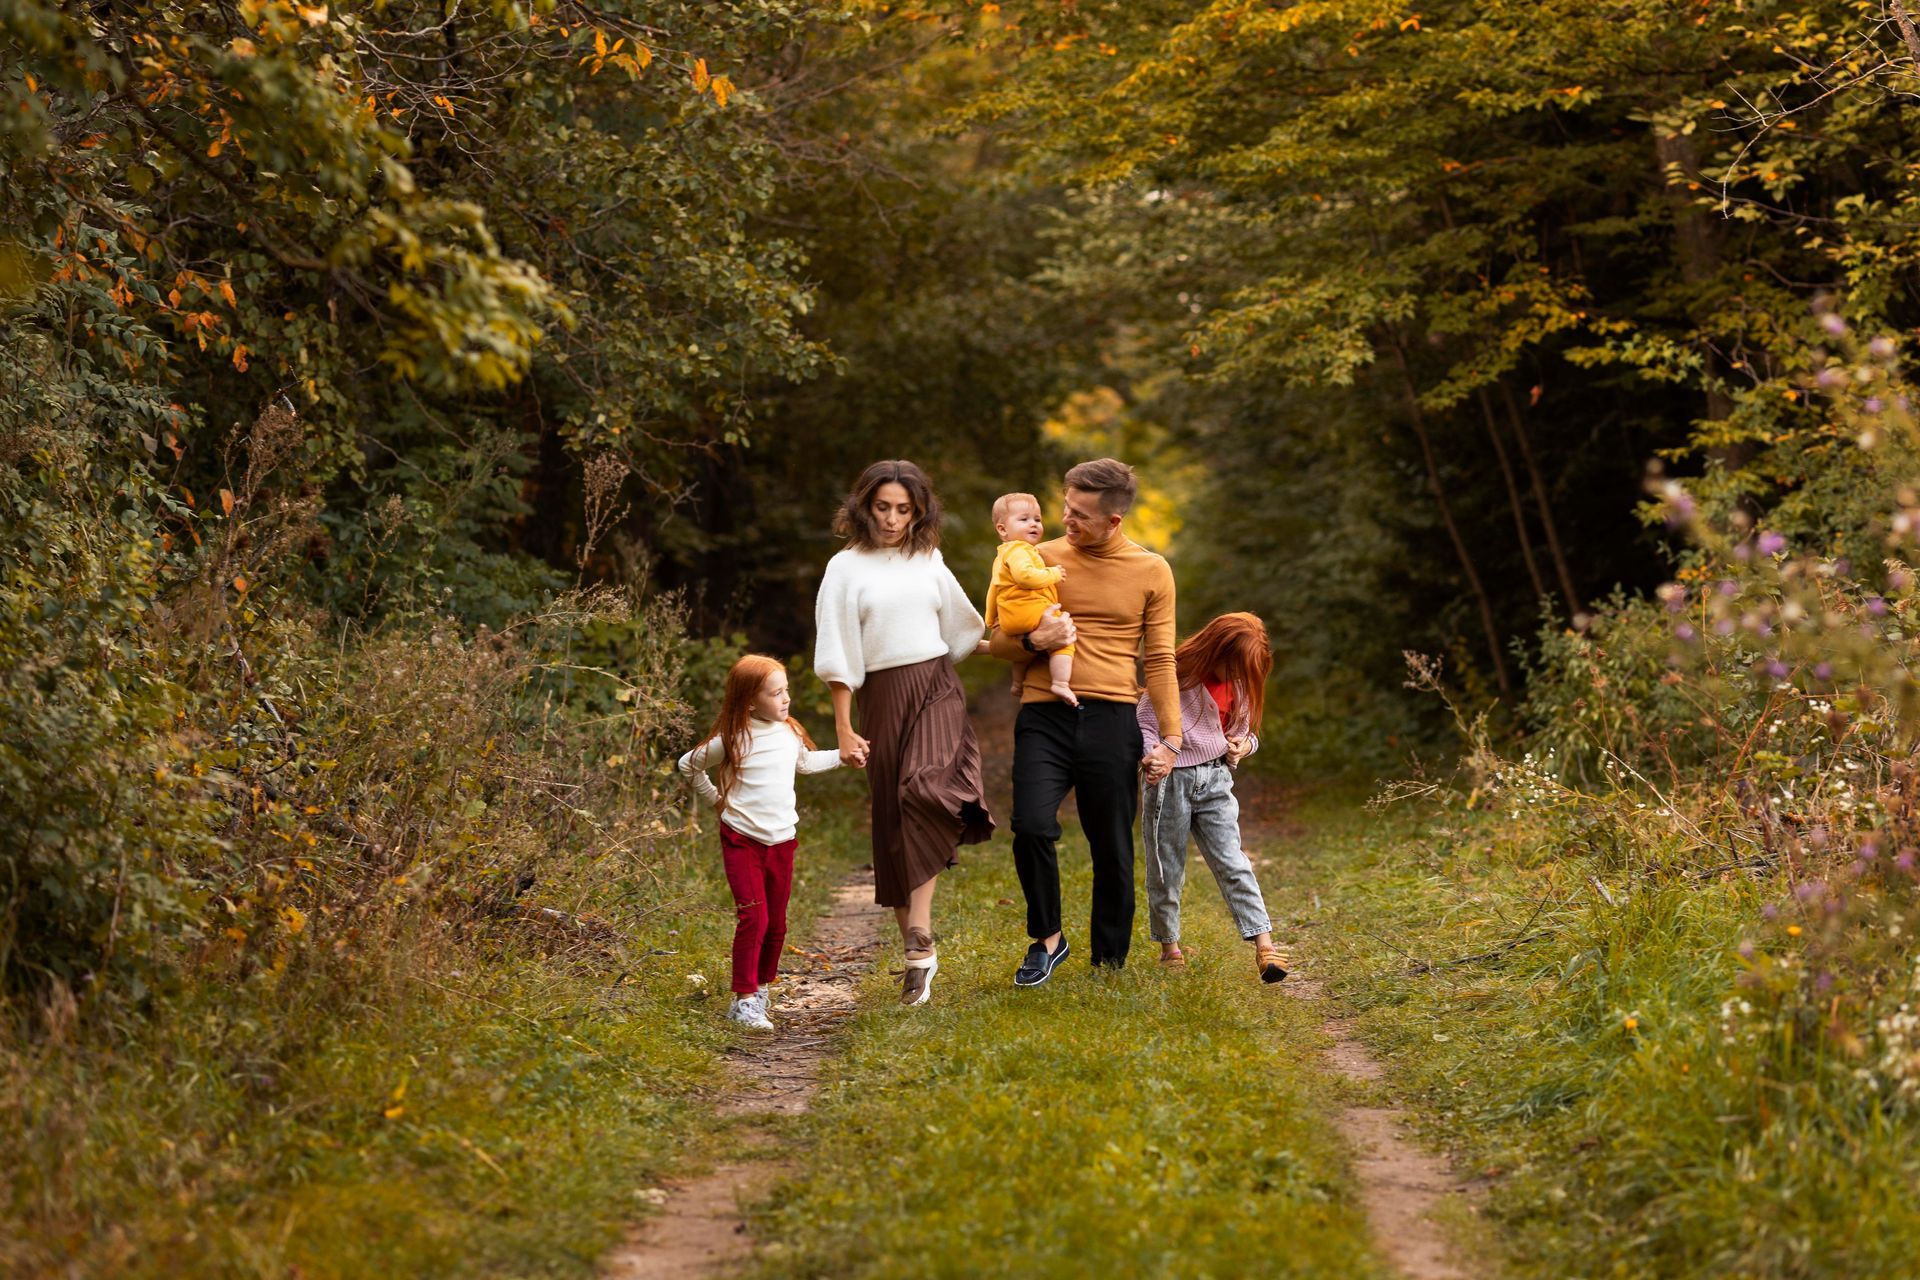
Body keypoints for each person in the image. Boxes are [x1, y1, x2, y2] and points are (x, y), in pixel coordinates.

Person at [985, 458, 1180, 983]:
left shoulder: (1151, 569)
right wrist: (1032, 642)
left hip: (1113, 716)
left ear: (1114, 520)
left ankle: (1109, 961)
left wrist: (1172, 738)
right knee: (1029, 824)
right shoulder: (1035, 559)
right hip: (1044, 713)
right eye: (1065, 509)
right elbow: (998, 636)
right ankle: (1047, 938)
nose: (1065, 522)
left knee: (1111, 842)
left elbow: (1160, 660)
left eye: (1081, 516)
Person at [814, 459, 994, 1006]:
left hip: (936, 685)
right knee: (893, 813)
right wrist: (844, 729)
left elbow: (966, 629)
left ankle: (920, 927)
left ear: (919, 512)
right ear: (865, 506)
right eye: (883, 507)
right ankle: (917, 953)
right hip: (882, 697)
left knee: (926, 788)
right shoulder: (844, 569)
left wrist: (1035, 642)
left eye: (904, 510)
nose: (893, 520)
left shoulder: (928, 558)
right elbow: (839, 653)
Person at [678, 655, 847, 1031]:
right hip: (742, 838)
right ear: (750, 701)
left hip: (782, 840)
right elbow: (688, 764)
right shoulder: (733, 738)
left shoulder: (789, 732)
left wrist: (842, 756)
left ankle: (761, 987)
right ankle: (743, 1000)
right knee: (753, 917)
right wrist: (717, 802)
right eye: (776, 693)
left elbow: (805, 763)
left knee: (777, 924)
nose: (786, 699)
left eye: (786, 690)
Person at [1136, 612, 1289, 983]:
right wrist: (1152, 756)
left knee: (1233, 861)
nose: (1234, 674)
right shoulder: (1176, 676)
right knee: (1165, 866)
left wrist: (1242, 746)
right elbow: (1144, 720)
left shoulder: (1239, 683)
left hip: (1216, 780)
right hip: (1171, 782)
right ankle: (1169, 947)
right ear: (1213, 650)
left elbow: (1246, 732)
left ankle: (1264, 946)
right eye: (1230, 665)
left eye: (1242, 670)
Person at [984, 492, 1076, 706]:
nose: (1033, 524)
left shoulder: (1002, 555)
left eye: (1037, 519)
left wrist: (991, 620)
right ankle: (1061, 682)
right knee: (1063, 639)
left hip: (1010, 619)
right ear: (1002, 529)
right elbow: (1026, 577)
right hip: (1031, 612)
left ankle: (1017, 683)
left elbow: (994, 590)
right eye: (1024, 519)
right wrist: (1053, 574)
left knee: (1024, 651)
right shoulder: (1020, 550)